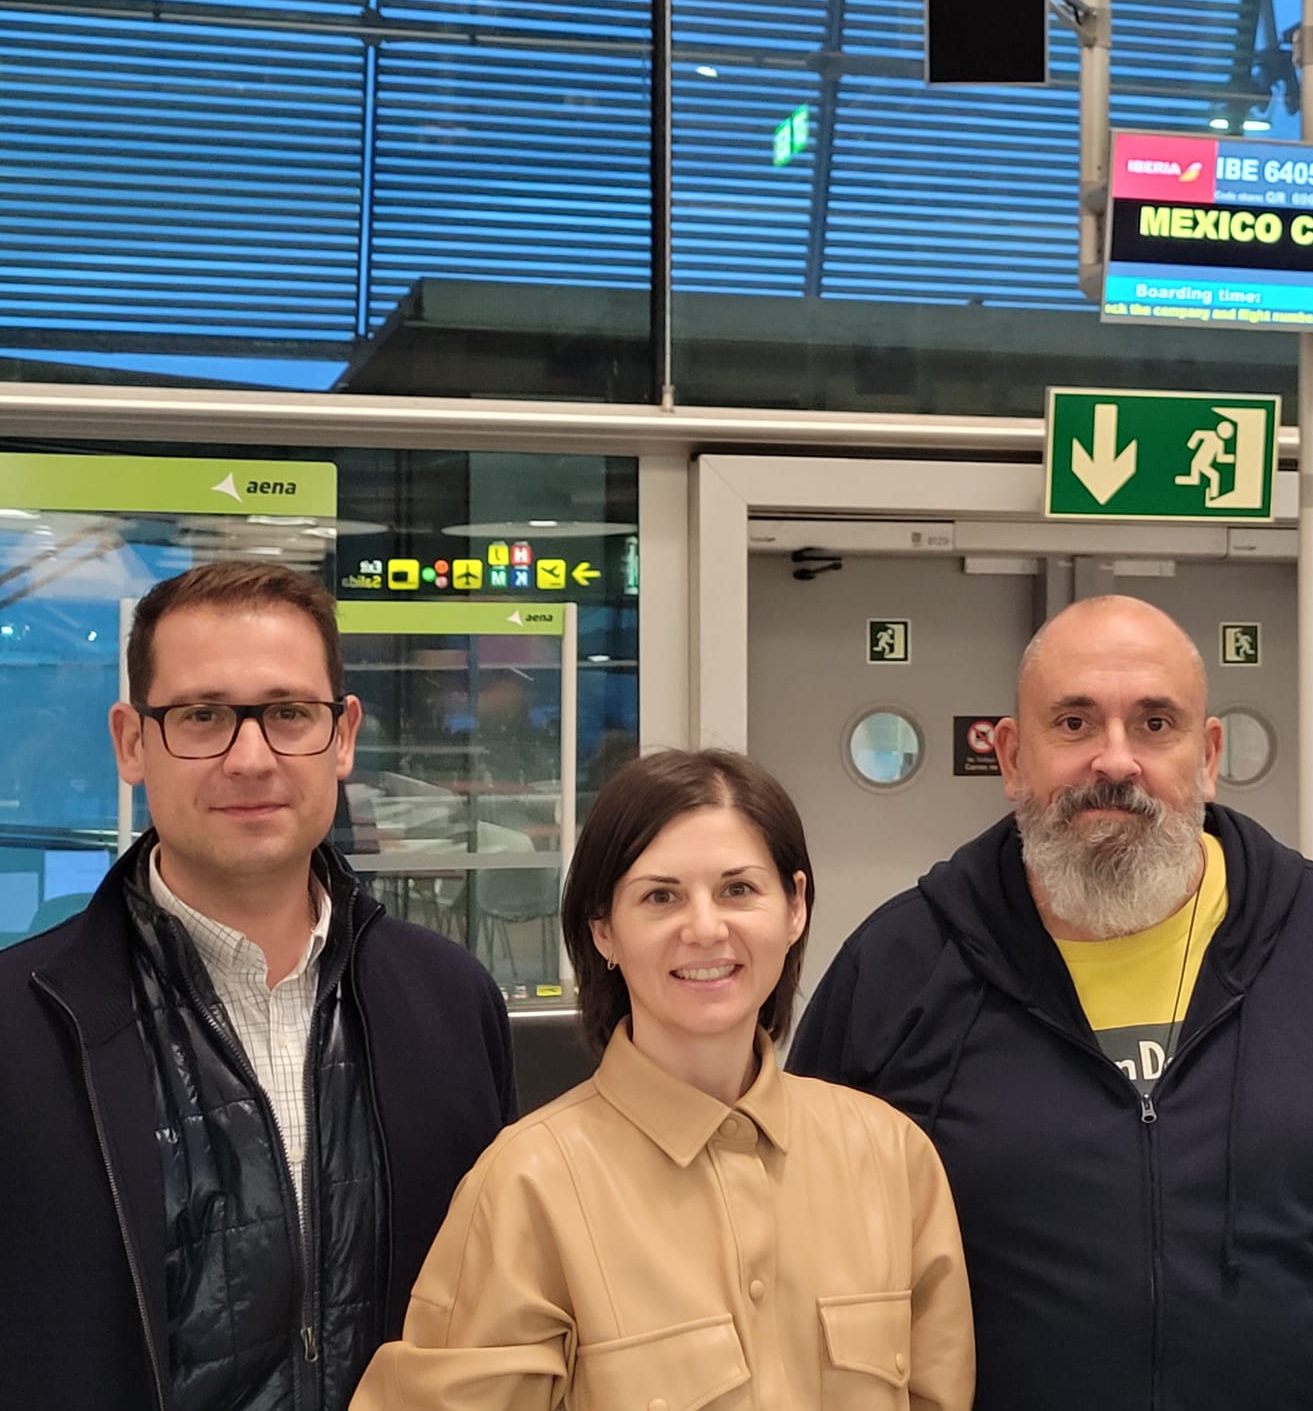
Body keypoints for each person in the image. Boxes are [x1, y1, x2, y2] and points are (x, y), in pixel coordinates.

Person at [790, 594, 1313, 1410]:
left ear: (1209, 753)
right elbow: (811, 1272)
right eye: (1075, 724)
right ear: (1012, 756)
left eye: (1156, 724)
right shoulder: (899, 969)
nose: (1115, 763)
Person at [0, 561, 517, 1411]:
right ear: (132, 741)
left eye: (288, 714)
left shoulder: (452, 1005)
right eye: (202, 716)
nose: (251, 758)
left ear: (342, 735)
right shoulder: (20, 1030)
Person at [352, 748, 975, 1410]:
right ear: (604, 932)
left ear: (794, 907)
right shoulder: (526, 1186)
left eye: (738, 889)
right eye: (660, 896)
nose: (705, 929)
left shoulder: (892, 1158)